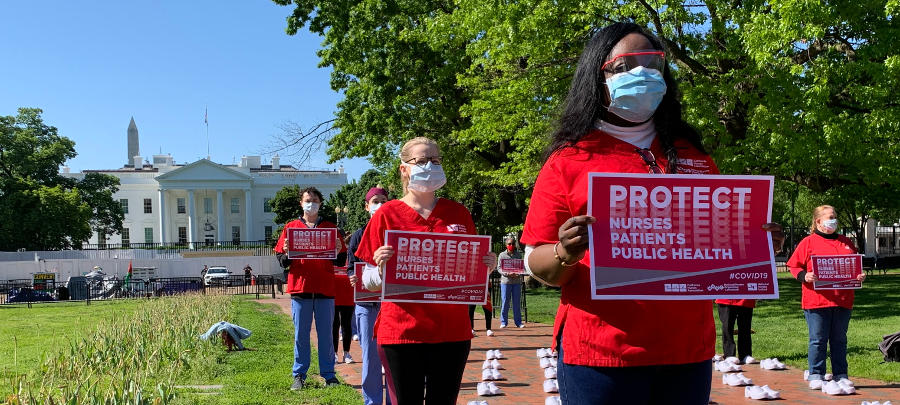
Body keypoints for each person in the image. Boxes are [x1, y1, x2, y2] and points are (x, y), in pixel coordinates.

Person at [520, 23, 784, 404]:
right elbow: (537, 264)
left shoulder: (694, 155)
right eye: (626, 65)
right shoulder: (570, 160)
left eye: (652, 63)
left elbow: (712, 250)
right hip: (602, 355)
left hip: (686, 352)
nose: (641, 74)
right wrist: (565, 253)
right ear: (598, 75)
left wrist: (754, 246)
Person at [356, 137, 497, 405]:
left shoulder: (458, 213)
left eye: (436, 160)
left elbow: (468, 273)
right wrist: (382, 272)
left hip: (452, 332)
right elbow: (368, 280)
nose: (430, 165)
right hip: (402, 331)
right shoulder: (387, 214)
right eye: (421, 161)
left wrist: (487, 267)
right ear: (404, 169)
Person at [274, 186, 345, 390]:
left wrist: (339, 251)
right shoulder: (290, 228)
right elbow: (282, 260)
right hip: (300, 289)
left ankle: (329, 375)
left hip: (325, 289)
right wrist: (287, 252)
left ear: (320, 203)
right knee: (301, 336)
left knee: (326, 335)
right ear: (301, 203)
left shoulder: (331, 228)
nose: (311, 203)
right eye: (307, 199)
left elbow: (340, 259)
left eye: (314, 200)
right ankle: (299, 375)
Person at [787, 205, 865, 389]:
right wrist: (804, 276)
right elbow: (794, 266)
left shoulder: (846, 242)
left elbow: (853, 266)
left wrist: (859, 275)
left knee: (839, 339)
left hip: (843, 300)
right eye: (830, 217)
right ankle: (816, 374)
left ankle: (840, 374)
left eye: (835, 216)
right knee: (818, 339)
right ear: (819, 221)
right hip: (817, 300)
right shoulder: (808, 242)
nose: (834, 220)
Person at [347, 186, 390, 405]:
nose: (379, 204)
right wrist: (352, 277)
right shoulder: (358, 236)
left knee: (393, 359)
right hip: (367, 305)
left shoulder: (396, 233)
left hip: (391, 305)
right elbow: (351, 267)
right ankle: (372, 401)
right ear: (366, 206)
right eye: (375, 201)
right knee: (371, 358)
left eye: (383, 200)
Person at [715, 298, 756, 364]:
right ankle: (729, 354)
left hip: (746, 297)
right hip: (726, 297)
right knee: (727, 326)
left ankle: (745, 354)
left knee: (745, 326)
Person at [497, 236, 524, 328]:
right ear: (506, 245)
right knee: (505, 302)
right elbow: (499, 268)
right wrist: (507, 273)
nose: (511, 245)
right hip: (506, 282)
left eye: (512, 244)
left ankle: (518, 322)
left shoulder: (518, 255)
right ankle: (504, 322)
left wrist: (519, 273)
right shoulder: (502, 255)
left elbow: (522, 267)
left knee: (516, 302)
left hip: (516, 282)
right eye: (509, 244)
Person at [333, 266, 355, 364]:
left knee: (346, 325)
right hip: (332, 292)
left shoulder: (351, 253)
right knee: (334, 325)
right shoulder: (330, 252)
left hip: (348, 292)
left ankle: (346, 352)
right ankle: (334, 353)